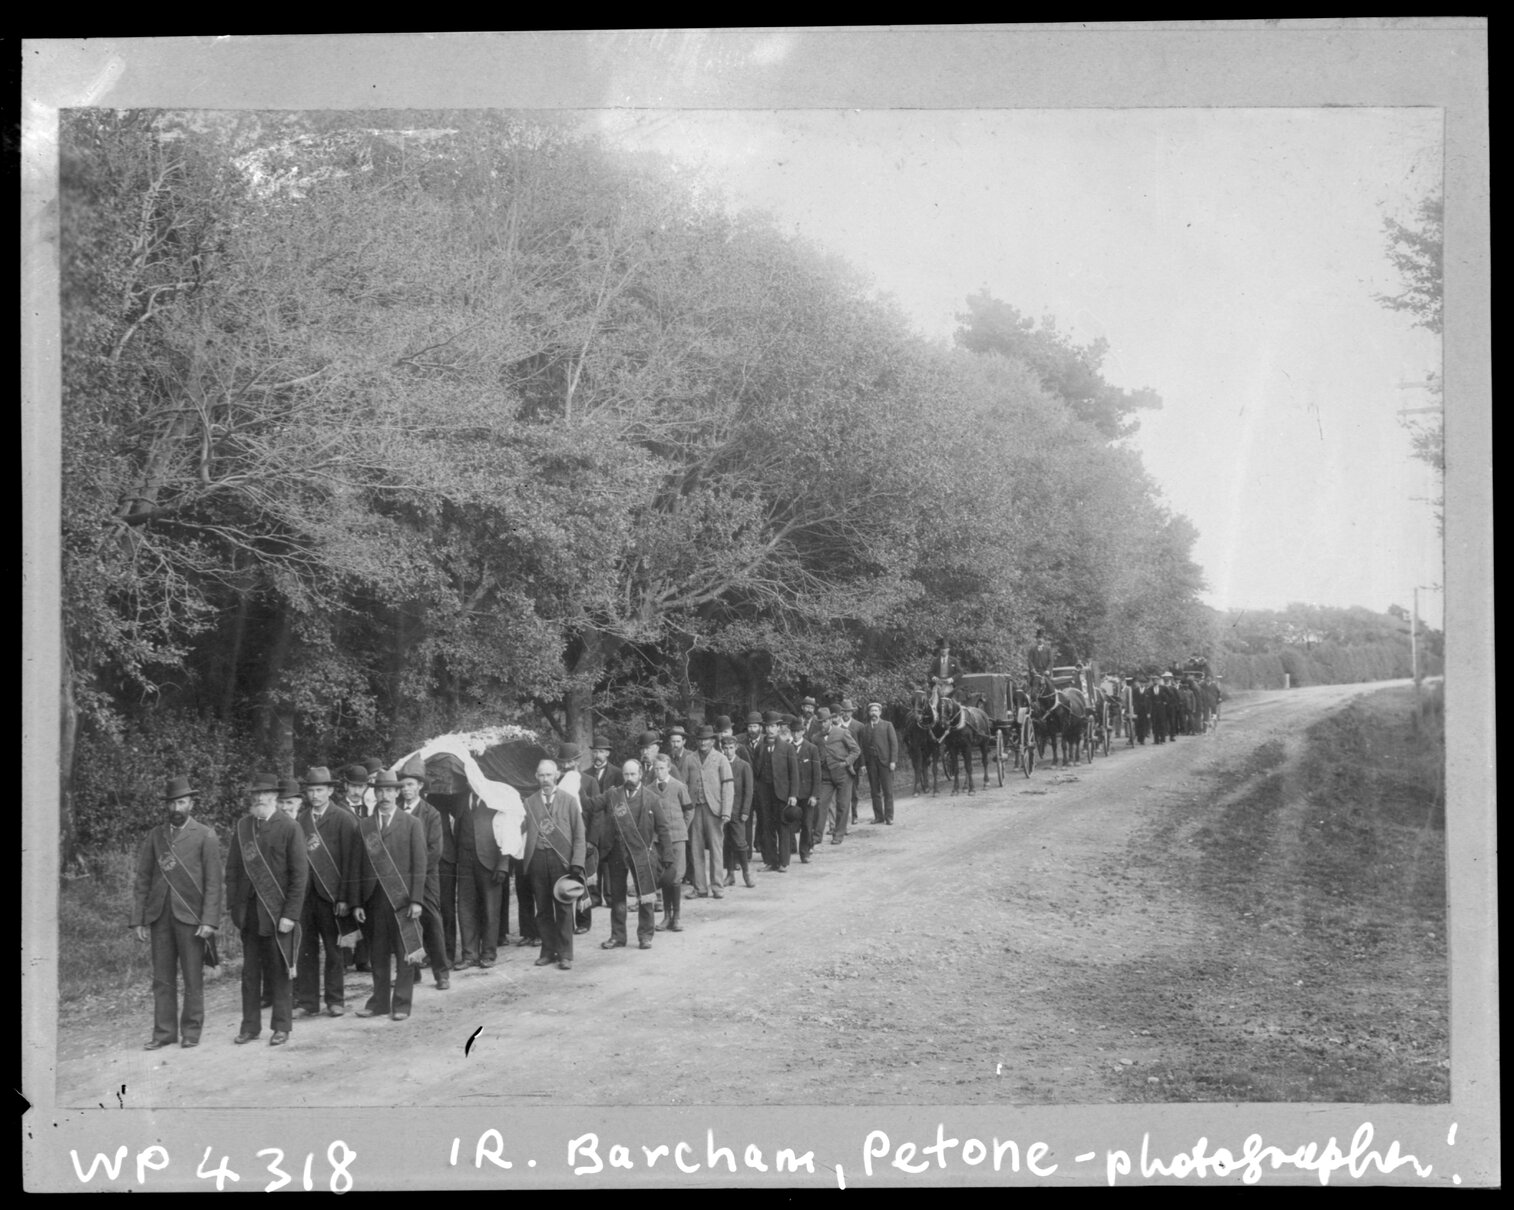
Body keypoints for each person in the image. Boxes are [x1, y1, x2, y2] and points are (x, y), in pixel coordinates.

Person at [130, 775, 223, 1050]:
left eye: (181, 802)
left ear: (191, 803)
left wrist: (209, 920)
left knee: (193, 977)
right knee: (162, 979)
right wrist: (138, 918)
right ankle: (163, 1033)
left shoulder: (205, 835)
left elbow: (214, 883)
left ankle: (191, 1032)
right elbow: (143, 878)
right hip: (160, 917)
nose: (176, 808)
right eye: (172, 803)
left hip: (191, 917)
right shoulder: (156, 836)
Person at [225, 773, 309, 1046]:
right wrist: (234, 910)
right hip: (249, 915)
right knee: (249, 974)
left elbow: (299, 876)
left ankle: (282, 1026)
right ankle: (250, 1027)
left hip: (277, 914)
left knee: (280, 971)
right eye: (255, 795)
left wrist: (290, 914)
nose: (260, 799)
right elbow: (233, 872)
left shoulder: (289, 827)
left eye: (265, 794)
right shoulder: (243, 827)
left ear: (275, 796)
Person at [353, 770, 427, 1021]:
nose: (384, 796)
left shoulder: (412, 824)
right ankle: (379, 1003)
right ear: (375, 794)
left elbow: (420, 865)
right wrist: (357, 902)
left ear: (397, 793)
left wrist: (417, 900)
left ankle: (402, 1004)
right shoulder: (364, 826)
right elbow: (356, 866)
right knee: (378, 953)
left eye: (389, 791)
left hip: (402, 900)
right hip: (373, 900)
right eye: (380, 791)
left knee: (405, 951)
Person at [295, 765, 361, 1019]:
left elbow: (350, 862)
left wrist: (345, 897)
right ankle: (308, 1001)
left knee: (334, 949)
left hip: (333, 896)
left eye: (320, 790)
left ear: (331, 790)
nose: (315, 795)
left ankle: (335, 1000)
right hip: (306, 897)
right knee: (306, 949)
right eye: (311, 790)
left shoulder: (343, 819)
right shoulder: (301, 820)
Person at [600, 760, 674, 951]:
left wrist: (668, 856)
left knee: (646, 895)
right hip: (617, 853)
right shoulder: (614, 795)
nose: (629, 778)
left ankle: (645, 936)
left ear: (640, 774)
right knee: (617, 897)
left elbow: (663, 829)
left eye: (633, 774)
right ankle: (617, 936)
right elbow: (592, 805)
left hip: (642, 853)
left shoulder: (651, 798)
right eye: (626, 775)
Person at [521, 759, 586, 971]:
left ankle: (565, 953)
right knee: (543, 908)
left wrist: (577, 863)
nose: (545, 779)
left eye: (548, 775)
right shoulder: (530, 803)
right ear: (536, 777)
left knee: (564, 908)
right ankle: (548, 951)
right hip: (538, 861)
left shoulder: (568, 800)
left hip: (562, 861)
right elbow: (522, 833)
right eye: (541, 775)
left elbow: (579, 834)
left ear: (556, 775)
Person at [397, 757, 451, 988]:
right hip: (399, 878)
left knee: (431, 921)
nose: (406, 790)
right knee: (404, 923)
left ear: (420, 786)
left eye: (411, 785)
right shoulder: (395, 811)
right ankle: (412, 972)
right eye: (403, 785)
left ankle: (441, 972)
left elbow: (435, 850)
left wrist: (415, 873)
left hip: (426, 878)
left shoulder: (431, 813)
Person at [453, 787, 509, 967]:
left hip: (490, 863)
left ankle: (488, 953)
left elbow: (508, 832)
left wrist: (503, 864)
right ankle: (469, 955)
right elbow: (457, 830)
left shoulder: (496, 799)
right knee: (465, 909)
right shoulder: (461, 799)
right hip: (465, 863)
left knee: (490, 909)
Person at [686, 724, 734, 898]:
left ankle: (717, 886)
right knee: (695, 848)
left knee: (716, 848)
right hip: (694, 808)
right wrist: (685, 808)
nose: (703, 743)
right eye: (700, 739)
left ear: (713, 741)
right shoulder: (690, 759)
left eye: (706, 739)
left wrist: (726, 811)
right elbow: (683, 785)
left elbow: (728, 786)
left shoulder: (720, 759)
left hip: (714, 809)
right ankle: (700, 887)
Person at [750, 711, 800, 873]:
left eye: (773, 726)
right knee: (766, 827)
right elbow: (755, 771)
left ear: (778, 728)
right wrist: (757, 791)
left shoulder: (787, 748)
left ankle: (784, 862)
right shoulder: (760, 747)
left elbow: (794, 774)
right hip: (764, 795)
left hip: (782, 794)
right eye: (768, 727)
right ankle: (770, 861)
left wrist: (792, 795)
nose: (770, 730)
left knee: (783, 827)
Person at [649, 754, 693, 931]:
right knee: (664, 878)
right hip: (659, 840)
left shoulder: (679, 786)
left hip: (677, 838)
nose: (659, 771)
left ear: (668, 768)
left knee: (676, 877)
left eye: (662, 768)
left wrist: (681, 828)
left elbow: (689, 811)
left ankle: (676, 917)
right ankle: (666, 917)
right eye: (656, 768)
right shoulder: (649, 788)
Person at [817, 712, 862, 845]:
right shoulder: (815, 737)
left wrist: (846, 762)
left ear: (830, 720)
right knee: (821, 804)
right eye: (820, 722)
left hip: (843, 774)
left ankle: (838, 834)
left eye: (825, 721)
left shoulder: (842, 732)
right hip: (825, 775)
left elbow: (856, 750)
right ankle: (817, 835)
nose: (822, 724)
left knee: (842, 805)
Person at [720, 734, 756, 890]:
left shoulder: (743, 766)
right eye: (725, 748)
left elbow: (749, 791)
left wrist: (745, 811)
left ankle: (746, 873)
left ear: (736, 748)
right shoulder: (720, 765)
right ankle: (730, 874)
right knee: (726, 843)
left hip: (737, 811)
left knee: (740, 843)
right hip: (723, 811)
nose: (728, 751)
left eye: (731, 748)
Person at [786, 715, 821, 862]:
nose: (795, 734)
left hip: (807, 794)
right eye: (792, 731)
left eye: (798, 731)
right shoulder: (786, 748)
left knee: (807, 824)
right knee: (790, 822)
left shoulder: (811, 748)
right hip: (791, 794)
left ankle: (805, 852)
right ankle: (789, 848)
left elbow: (817, 774)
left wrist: (814, 795)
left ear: (802, 732)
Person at [861, 702, 900, 825]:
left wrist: (893, 761)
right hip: (871, 763)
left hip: (885, 762)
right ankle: (878, 816)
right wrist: (863, 764)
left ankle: (889, 817)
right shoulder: (865, 728)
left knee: (888, 791)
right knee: (874, 791)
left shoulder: (887, 725)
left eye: (876, 711)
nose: (874, 713)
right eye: (871, 711)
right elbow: (861, 747)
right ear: (869, 713)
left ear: (880, 712)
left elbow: (894, 744)